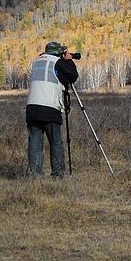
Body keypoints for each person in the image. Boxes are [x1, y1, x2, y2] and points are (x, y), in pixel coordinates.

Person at [26, 41, 79, 178]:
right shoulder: (57, 62)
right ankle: (57, 175)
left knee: (35, 144)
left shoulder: (36, 62)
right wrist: (68, 61)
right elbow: (72, 76)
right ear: (57, 53)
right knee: (55, 143)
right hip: (49, 108)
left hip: (32, 107)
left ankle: (35, 176)